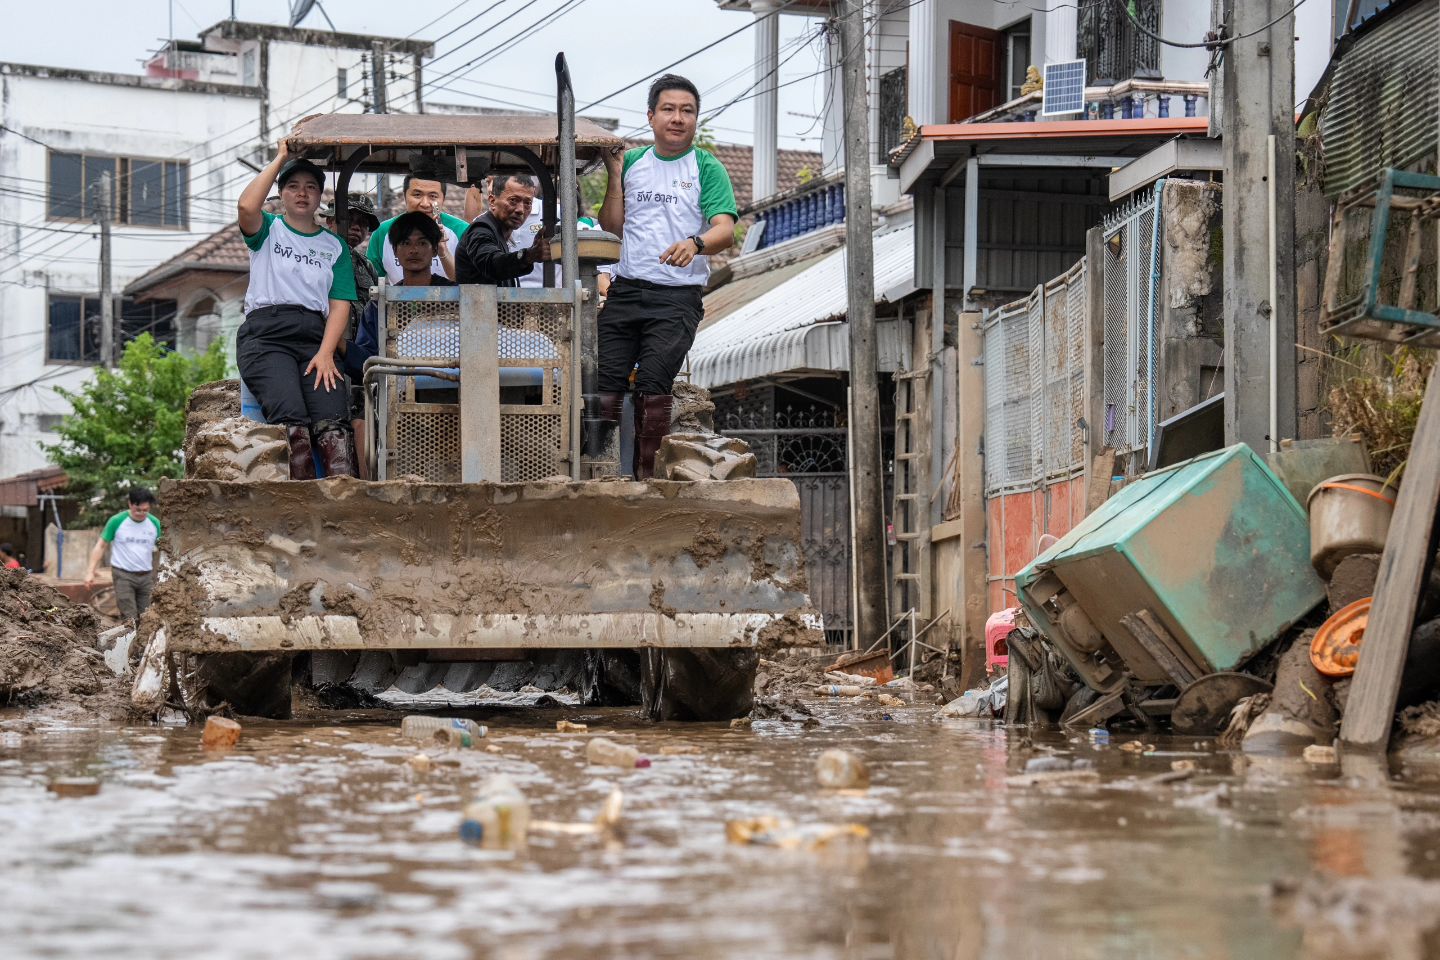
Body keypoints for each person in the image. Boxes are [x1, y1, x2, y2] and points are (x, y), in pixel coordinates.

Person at [598, 74, 738, 478]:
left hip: (676, 298)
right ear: (651, 116)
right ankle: (600, 473)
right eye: (669, 109)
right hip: (626, 292)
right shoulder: (635, 163)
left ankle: (647, 480)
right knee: (604, 384)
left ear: (695, 119)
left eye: (687, 111)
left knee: (653, 384)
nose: (678, 118)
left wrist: (695, 243)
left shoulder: (706, 167)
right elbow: (611, 229)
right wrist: (614, 175)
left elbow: (724, 229)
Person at [236, 141, 358, 479]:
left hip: (315, 341)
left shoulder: (334, 247)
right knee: (292, 422)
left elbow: (339, 305)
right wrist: (280, 158)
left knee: (333, 426)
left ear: (320, 196)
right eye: (293, 186)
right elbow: (246, 206)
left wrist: (326, 353)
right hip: (267, 337)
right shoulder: (268, 230)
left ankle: (346, 507)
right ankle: (300, 512)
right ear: (281, 194)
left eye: (310, 188)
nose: (302, 194)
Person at [343, 212, 455, 393]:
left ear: (435, 249)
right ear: (395, 250)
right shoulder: (379, 305)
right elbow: (368, 361)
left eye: (422, 243)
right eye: (405, 243)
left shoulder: (454, 296)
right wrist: (340, 346)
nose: (413, 250)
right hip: (397, 395)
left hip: (452, 389)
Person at [320, 192, 382, 478]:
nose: (356, 228)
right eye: (349, 220)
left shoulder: (366, 266)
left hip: (359, 359)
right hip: (325, 353)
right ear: (331, 221)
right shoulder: (318, 256)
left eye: (363, 223)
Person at [366, 176, 468, 284]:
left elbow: (469, 285)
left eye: (433, 196)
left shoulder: (463, 231)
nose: (424, 203)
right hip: (399, 300)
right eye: (417, 195)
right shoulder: (382, 232)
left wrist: (443, 252)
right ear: (405, 196)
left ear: (443, 199)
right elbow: (369, 282)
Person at [455, 174, 550, 286]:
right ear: (492, 201)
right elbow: (491, 264)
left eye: (527, 203)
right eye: (513, 200)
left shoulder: (500, 233)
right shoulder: (481, 230)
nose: (521, 210)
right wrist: (528, 255)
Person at [83, 488, 161, 623]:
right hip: (123, 575)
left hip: (146, 576)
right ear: (130, 504)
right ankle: (130, 642)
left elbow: (166, 548)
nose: (141, 513)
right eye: (138, 510)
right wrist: (90, 571)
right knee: (129, 616)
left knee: (147, 616)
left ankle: (144, 643)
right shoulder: (117, 521)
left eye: (145, 510)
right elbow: (101, 545)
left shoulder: (154, 523)